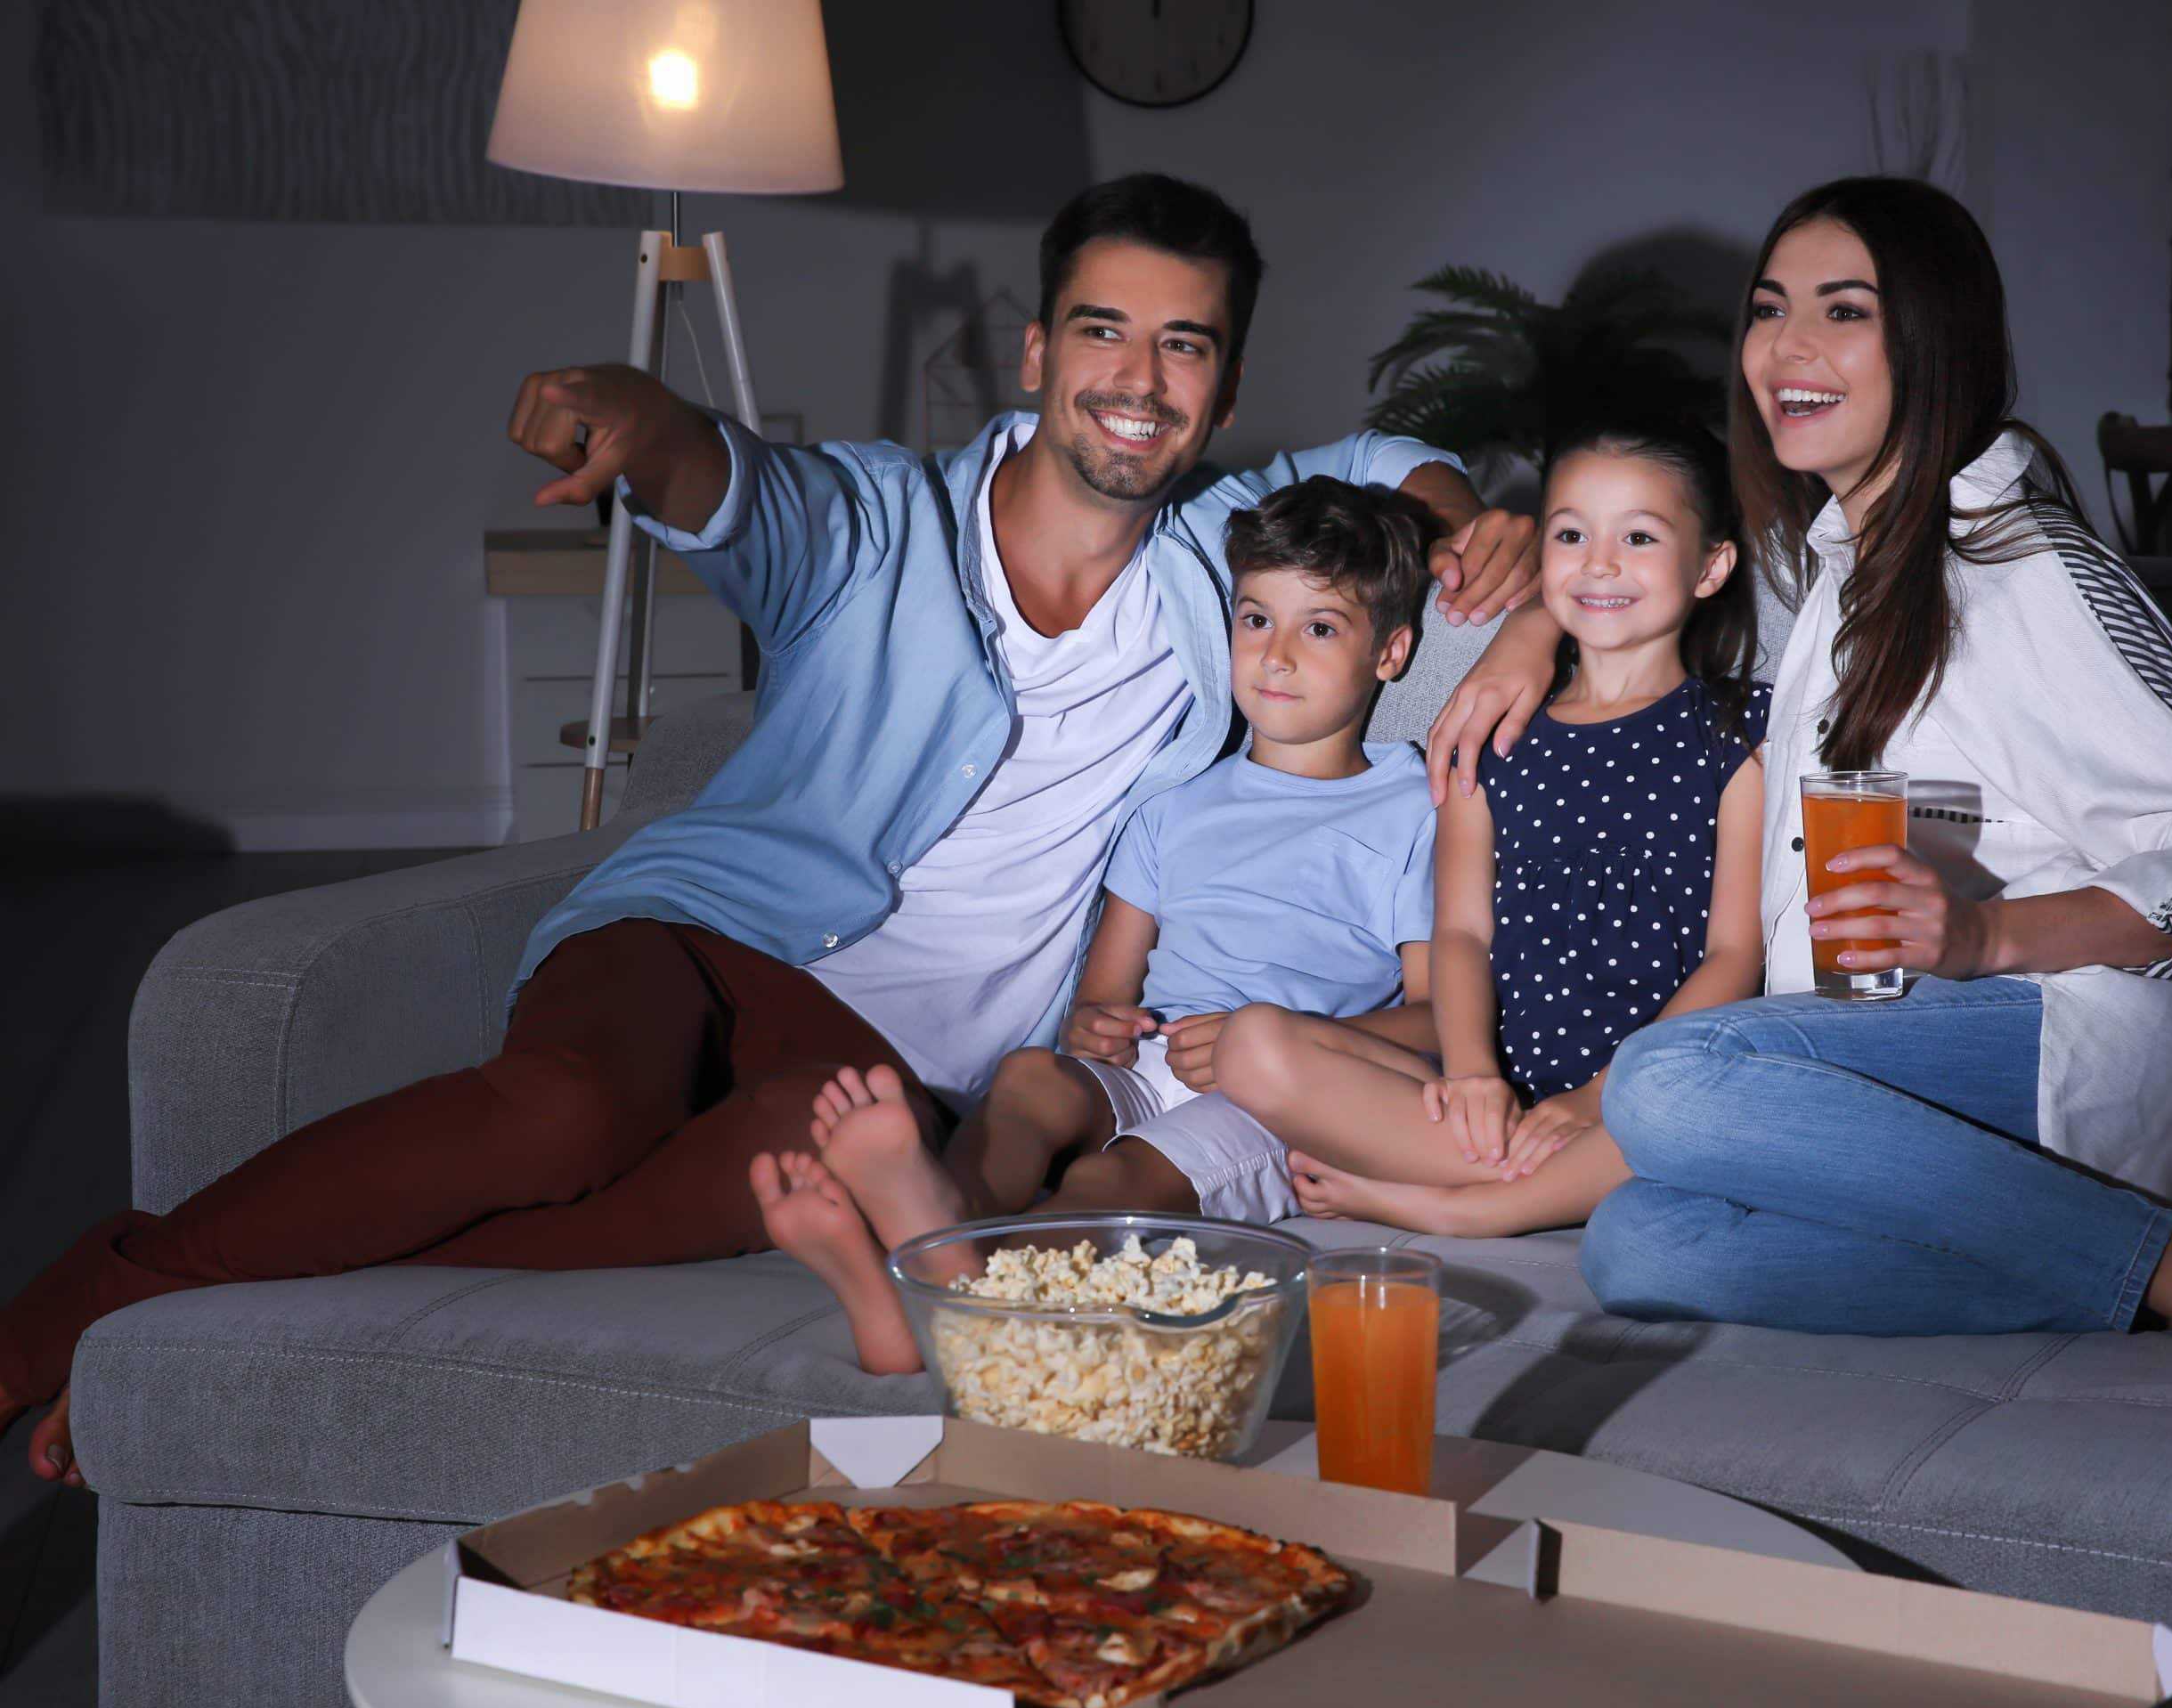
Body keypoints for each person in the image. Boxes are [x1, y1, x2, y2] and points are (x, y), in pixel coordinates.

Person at [0, 174, 1545, 1483]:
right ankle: (67, 1315)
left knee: (757, 1187)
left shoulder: (1228, 554)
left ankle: (205, 1322)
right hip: (701, 941)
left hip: (886, 1075)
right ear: (1037, 350)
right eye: (1103, 329)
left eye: (1184, 344)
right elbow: (741, 485)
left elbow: (1367, 468)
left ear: (1220, 382)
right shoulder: (881, 518)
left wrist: (1477, 530)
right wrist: (646, 422)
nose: (1139, 376)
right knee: (561, 1117)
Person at [1542, 177, 2172, 1388]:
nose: (1788, 348)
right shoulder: (1842, 569)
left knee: (1669, 1078)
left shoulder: (2021, 569)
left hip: (2073, 1049)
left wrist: (1981, 931)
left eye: (1844, 311)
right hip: (1921, 1092)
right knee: (1643, 1243)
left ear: (1935, 340)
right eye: (1769, 309)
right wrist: (1523, 626)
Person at [753, 476, 1446, 1372]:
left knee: (1106, 1184)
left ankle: (924, 1296)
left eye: (1318, 628)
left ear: (1390, 651)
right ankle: (928, 1226)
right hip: (1152, 1062)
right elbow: (1105, 996)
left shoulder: (1410, 807)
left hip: (1280, 1100)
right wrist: (1095, 1024)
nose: (1274, 656)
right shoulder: (1175, 803)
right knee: (1032, 1080)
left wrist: (1281, 1039)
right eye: (1254, 619)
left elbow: (1439, 1021)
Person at [1212, 414, 1770, 1240]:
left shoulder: (1736, 733)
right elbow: (1463, 934)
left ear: (1711, 566)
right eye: (1572, 533)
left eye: (1641, 537)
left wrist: (1598, 1099)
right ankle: (1536, 1179)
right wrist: (1473, 1075)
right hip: (1493, 1095)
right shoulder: (1491, 731)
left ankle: (1466, 1207)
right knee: (1250, 1043)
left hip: (1650, 1087)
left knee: (1719, 1099)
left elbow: (1735, 957)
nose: (1601, 562)